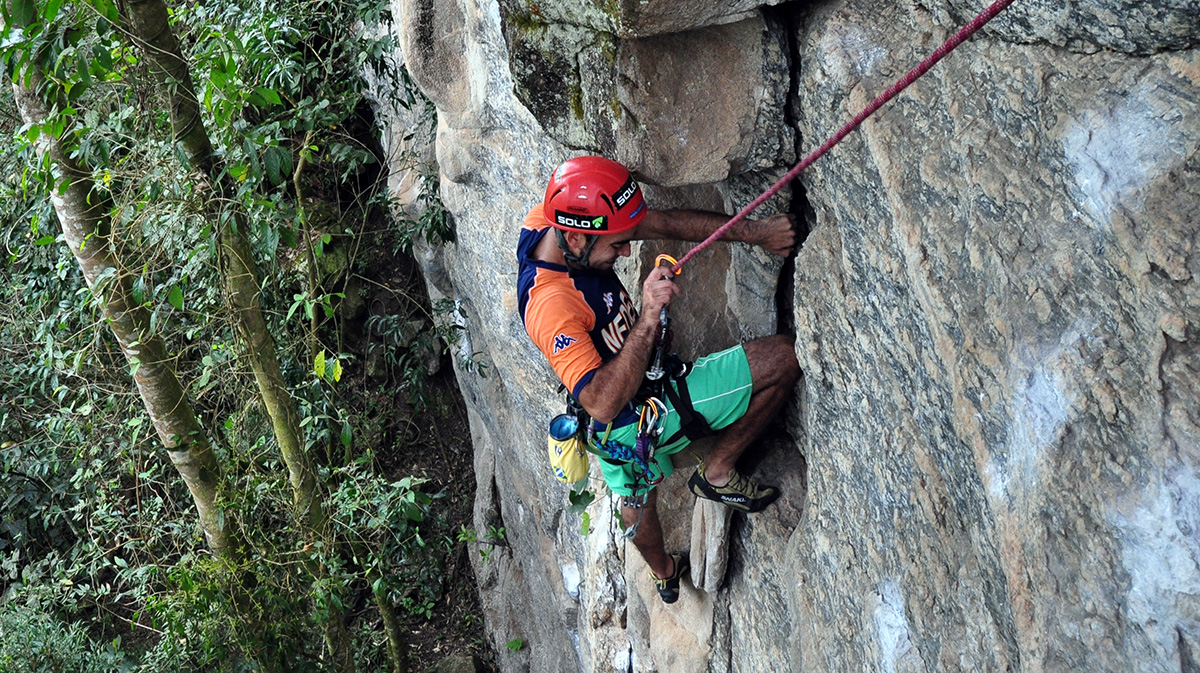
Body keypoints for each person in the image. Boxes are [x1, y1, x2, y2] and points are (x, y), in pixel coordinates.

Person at [517, 155, 801, 604]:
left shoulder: (554, 222)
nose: (628, 251)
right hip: (632, 412)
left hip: (622, 420)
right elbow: (601, 403)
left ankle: (664, 574)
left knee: (635, 495)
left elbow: (665, 221)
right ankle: (719, 471)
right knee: (784, 358)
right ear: (575, 238)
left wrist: (757, 233)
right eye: (617, 246)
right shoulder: (551, 307)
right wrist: (648, 317)